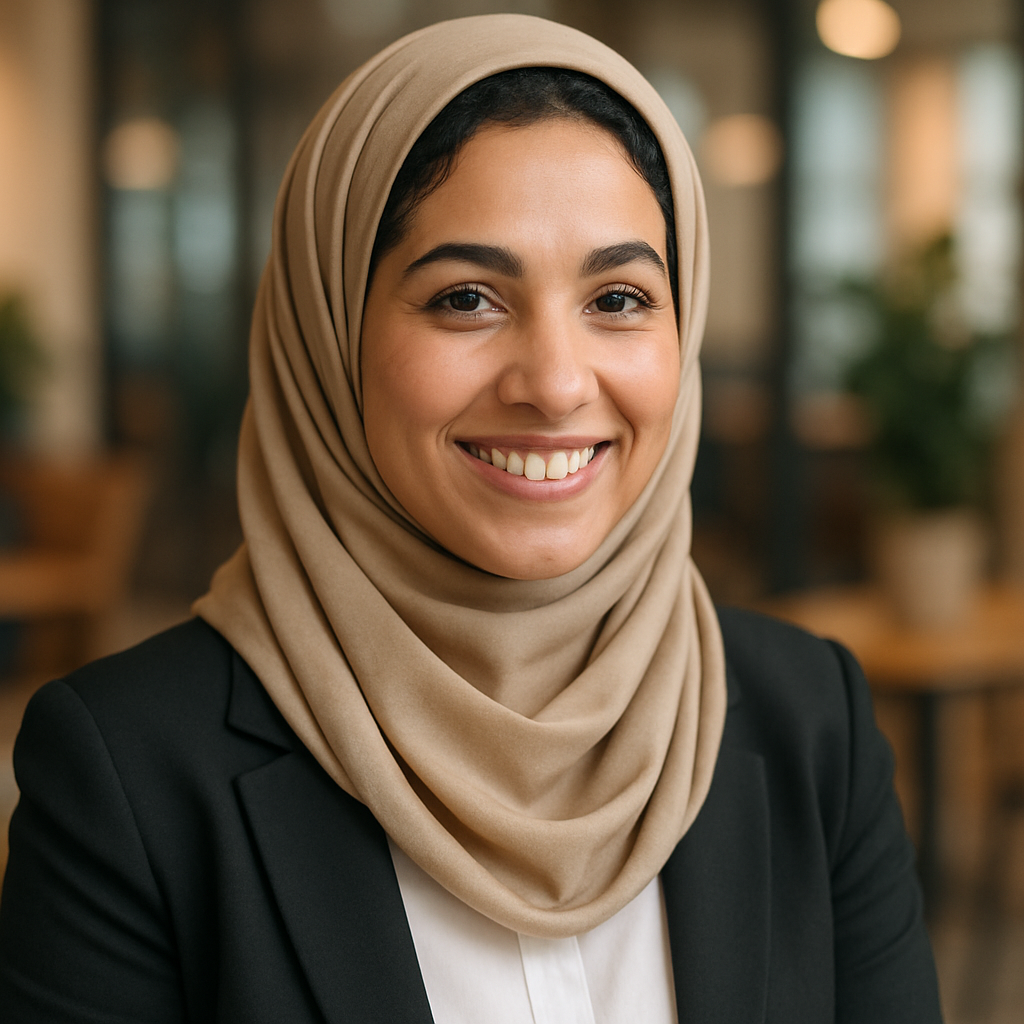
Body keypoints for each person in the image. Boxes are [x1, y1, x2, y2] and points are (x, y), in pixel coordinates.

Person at [0, 14, 942, 1023]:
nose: (554, 381)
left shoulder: (812, 725)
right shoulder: (129, 773)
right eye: (465, 298)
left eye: (619, 298)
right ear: (328, 336)